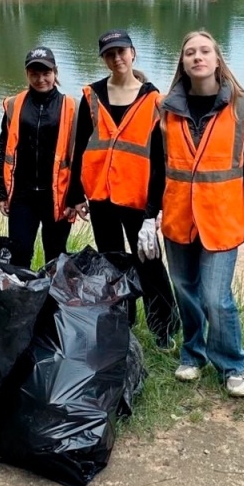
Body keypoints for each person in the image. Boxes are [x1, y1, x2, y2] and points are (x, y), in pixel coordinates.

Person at [139, 30, 244, 398]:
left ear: (217, 60)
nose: (197, 57)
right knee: (186, 291)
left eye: (204, 51)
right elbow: (157, 168)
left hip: (222, 219)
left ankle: (234, 365)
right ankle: (193, 354)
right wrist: (149, 216)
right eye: (190, 53)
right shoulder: (165, 108)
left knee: (216, 297)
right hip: (179, 217)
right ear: (182, 64)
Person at [67, 29, 180, 348]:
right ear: (103, 59)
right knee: (111, 263)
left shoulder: (154, 100)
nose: (116, 58)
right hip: (101, 197)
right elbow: (80, 147)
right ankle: (122, 324)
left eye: (121, 51)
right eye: (109, 54)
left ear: (133, 53)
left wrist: (154, 210)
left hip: (138, 198)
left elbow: (160, 161)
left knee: (149, 263)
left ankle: (164, 331)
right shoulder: (91, 96)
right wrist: (75, 194)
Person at [0, 47, 76, 267]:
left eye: (46, 73)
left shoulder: (72, 107)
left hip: (57, 196)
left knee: (55, 256)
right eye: (34, 74)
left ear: (55, 72)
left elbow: (79, 158)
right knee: (19, 254)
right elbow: (4, 151)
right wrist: (3, 192)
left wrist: (74, 198)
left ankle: (51, 290)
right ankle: (22, 289)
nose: (41, 79)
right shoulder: (13, 105)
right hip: (23, 195)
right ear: (27, 74)